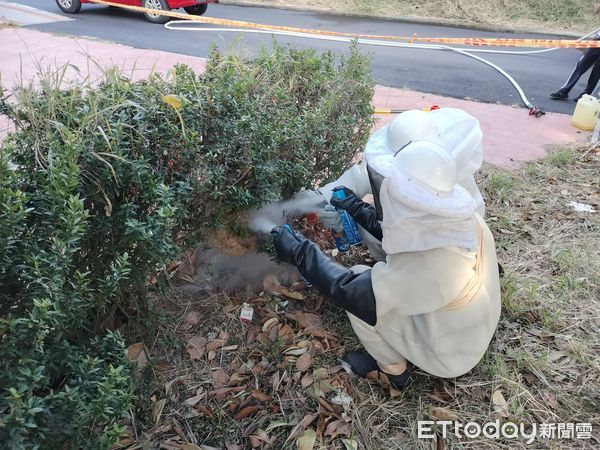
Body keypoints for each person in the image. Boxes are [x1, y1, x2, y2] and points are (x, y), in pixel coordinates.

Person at [272, 140, 501, 389]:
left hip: (452, 355)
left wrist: (299, 251)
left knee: (361, 283)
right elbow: (410, 238)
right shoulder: (462, 219)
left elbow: (354, 292)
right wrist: (358, 209)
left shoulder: (432, 265)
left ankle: (393, 373)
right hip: (475, 326)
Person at [550, 4, 600, 101]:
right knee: (581, 64)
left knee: (597, 71)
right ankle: (564, 91)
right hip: (597, 40)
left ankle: (586, 95)